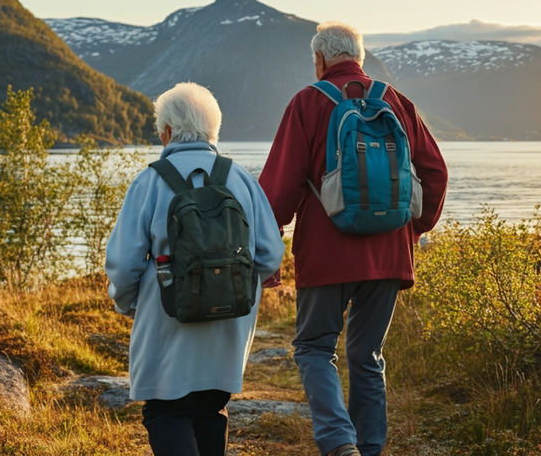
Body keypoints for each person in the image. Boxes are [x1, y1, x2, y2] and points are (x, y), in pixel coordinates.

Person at [260, 22, 448, 456]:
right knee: (367, 355)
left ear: (320, 60)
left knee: (314, 348)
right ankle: (369, 447)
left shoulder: (308, 102)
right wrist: (414, 228)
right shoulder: (396, 101)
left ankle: (339, 443)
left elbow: (279, 187)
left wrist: (268, 250)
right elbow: (436, 172)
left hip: (326, 252)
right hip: (389, 252)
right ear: (359, 58)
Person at [106, 82, 284, 456]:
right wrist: (238, 290)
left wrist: (128, 304)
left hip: (167, 316)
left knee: (166, 411)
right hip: (229, 321)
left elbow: (123, 264)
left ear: (168, 131)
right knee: (211, 410)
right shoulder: (241, 179)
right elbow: (270, 255)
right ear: (212, 130)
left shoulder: (150, 180)